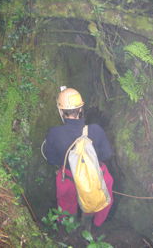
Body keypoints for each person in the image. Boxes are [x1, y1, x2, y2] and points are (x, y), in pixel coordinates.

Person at [42, 87, 114, 230]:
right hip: (96, 177)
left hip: (68, 179)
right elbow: (107, 155)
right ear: (81, 109)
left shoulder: (54, 133)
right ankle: (93, 226)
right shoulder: (96, 130)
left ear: (61, 111)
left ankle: (68, 230)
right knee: (99, 200)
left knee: (66, 205)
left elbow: (51, 159)